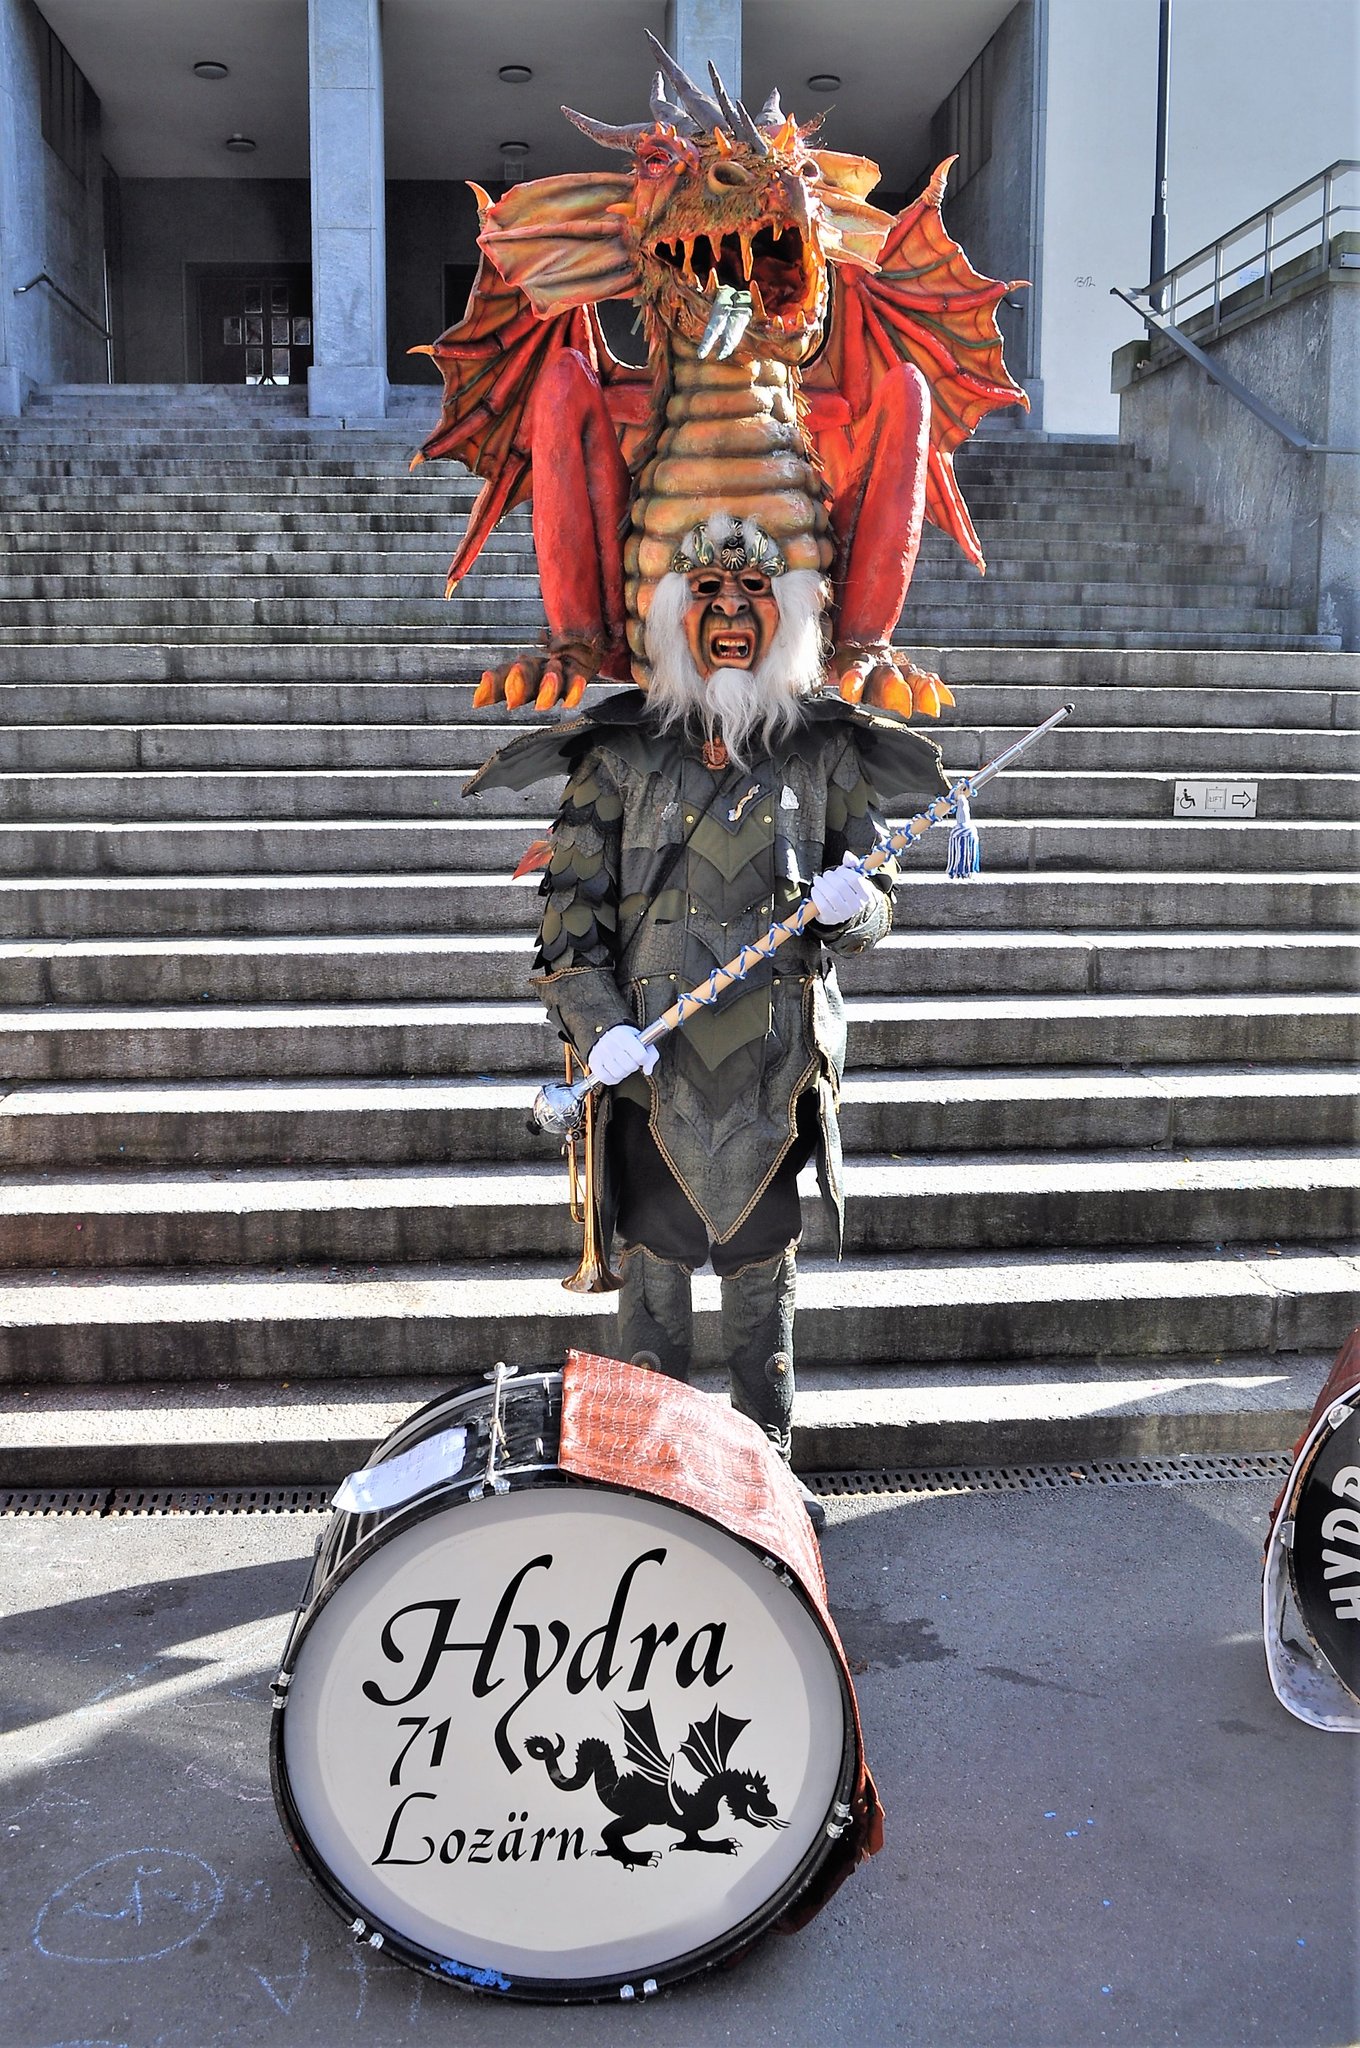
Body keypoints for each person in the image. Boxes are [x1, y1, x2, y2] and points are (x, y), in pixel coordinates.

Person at [467, 510, 949, 1470]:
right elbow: (569, 928)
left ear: (789, 615)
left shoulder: (826, 750)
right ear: (670, 615)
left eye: (753, 593)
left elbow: (877, 899)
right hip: (650, 1073)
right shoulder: (616, 754)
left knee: (765, 1280)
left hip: (775, 1070)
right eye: (708, 594)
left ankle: (762, 1477)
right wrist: (599, 1027)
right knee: (653, 1277)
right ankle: (651, 1476)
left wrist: (852, 906)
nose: (731, 612)